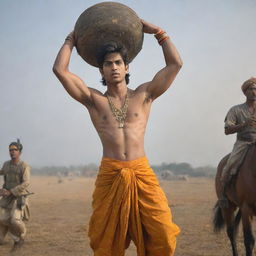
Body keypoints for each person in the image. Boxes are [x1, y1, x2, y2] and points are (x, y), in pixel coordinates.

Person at [53, 19, 182, 256]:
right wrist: (71, 40)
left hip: (141, 172)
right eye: (108, 64)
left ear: (127, 67)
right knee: (105, 241)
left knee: (162, 234)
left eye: (118, 63)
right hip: (111, 174)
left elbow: (175, 64)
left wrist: (158, 33)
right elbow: (60, 70)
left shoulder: (145, 94)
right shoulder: (94, 100)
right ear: (101, 70)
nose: (113, 67)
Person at [219, 77, 256, 207]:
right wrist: (244, 125)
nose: (254, 92)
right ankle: (223, 196)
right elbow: (227, 130)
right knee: (228, 166)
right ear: (245, 92)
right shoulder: (236, 110)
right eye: (251, 89)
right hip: (243, 143)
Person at [0, 139, 31, 251]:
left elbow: (26, 182)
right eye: (10, 150)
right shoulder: (6, 164)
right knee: (2, 218)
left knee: (15, 220)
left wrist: (11, 191)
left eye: (15, 150)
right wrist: (2, 190)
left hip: (19, 197)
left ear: (20, 152)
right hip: (7, 197)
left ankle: (21, 236)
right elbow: (2, 172)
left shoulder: (24, 166)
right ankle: (10, 235)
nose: (12, 152)